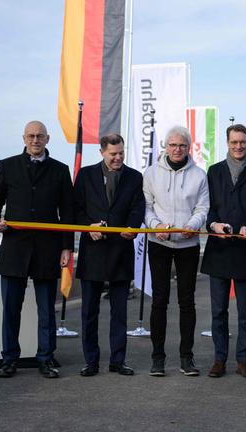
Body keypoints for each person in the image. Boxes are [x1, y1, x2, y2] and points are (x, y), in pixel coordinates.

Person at [0, 120, 74, 379]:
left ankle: (45, 359)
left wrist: (67, 246)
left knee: (47, 310)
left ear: (48, 139)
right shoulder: (7, 165)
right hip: (15, 248)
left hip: (48, 249)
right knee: (11, 309)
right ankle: (9, 359)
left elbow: (67, 211)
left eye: (40, 136)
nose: (35, 140)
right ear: (24, 138)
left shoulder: (60, 170)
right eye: (31, 136)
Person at [200, 124, 246, 379]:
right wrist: (214, 223)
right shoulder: (214, 171)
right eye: (234, 142)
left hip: (245, 248)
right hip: (218, 249)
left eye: (242, 142)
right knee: (218, 310)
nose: (238, 146)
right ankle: (220, 359)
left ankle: (244, 360)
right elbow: (207, 206)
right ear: (227, 143)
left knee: (245, 312)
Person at [74, 133, 145, 377]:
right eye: (113, 154)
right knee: (89, 312)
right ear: (102, 152)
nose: (118, 158)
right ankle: (91, 361)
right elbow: (76, 210)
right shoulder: (85, 175)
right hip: (92, 252)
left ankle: (118, 360)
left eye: (121, 153)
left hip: (120, 252)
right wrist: (88, 227)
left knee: (120, 313)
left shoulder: (135, 177)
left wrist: (132, 229)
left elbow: (138, 208)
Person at [143, 126, 210, 377]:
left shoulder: (199, 175)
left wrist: (192, 226)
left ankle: (186, 357)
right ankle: (157, 358)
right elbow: (146, 207)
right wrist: (155, 226)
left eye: (182, 145)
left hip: (188, 245)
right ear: (165, 146)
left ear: (189, 147)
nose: (177, 149)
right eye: (172, 145)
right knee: (159, 301)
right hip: (159, 243)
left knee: (187, 302)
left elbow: (203, 208)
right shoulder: (150, 174)